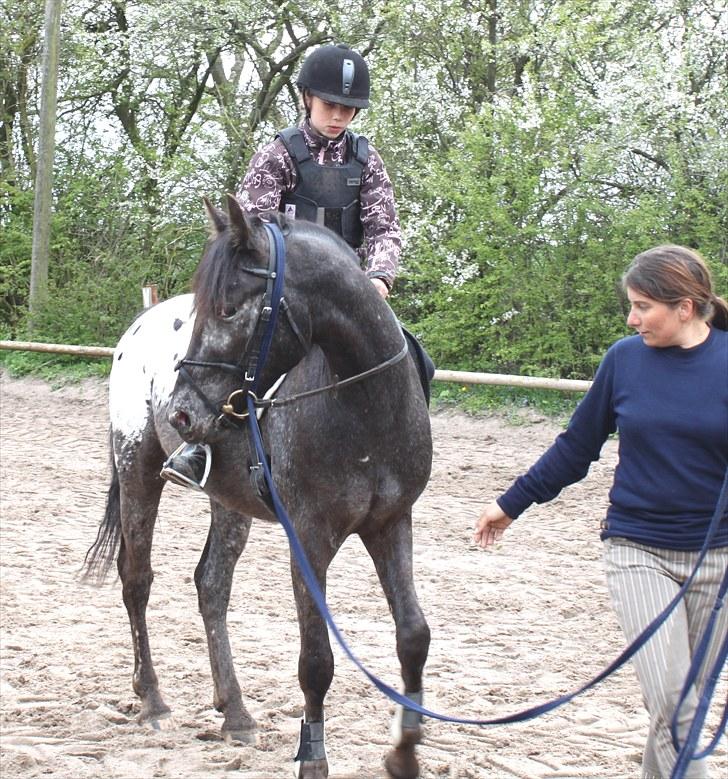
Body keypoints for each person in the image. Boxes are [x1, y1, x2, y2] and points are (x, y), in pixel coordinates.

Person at [474, 245, 728, 779]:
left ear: (685, 306)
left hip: (720, 561)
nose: (632, 319)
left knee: (678, 711)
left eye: (643, 307)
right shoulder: (624, 360)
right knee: (676, 706)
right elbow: (576, 446)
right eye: (630, 306)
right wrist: (510, 503)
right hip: (639, 551)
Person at [162, 43, 433, 490]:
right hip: (287, 297)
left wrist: (379, 278)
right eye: (330, 105)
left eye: (349, 108)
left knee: (415, 360)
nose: (339, 116)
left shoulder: (368, 161)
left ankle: (404, 450)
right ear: (307, 98)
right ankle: (201, 450)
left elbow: (385, 228)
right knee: (245, 360)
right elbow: (248, 235)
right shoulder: (278, 155)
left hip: (348, 296)